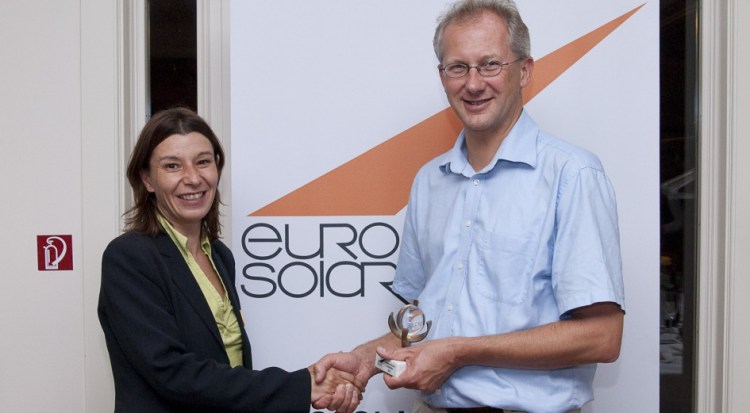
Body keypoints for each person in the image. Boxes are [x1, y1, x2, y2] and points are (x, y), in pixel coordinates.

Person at [313, 1, 625, 412]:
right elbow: (426, 321)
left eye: (490, 64)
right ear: (442, 77)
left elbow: (602, 337)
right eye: (458, 67)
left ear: (524, 71)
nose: (473, 84)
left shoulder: (572, 175)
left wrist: (458, 352)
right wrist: (366, 360)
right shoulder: (429, 181)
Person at [98, 107, 361, 413]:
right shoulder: (129, 258)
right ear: (147, 179)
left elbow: (228, 368)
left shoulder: (220, 256)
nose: (193, 178)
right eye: (172, 166)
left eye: (203, 162)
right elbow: (171, 373)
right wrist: (303, 386)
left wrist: (312, 384)